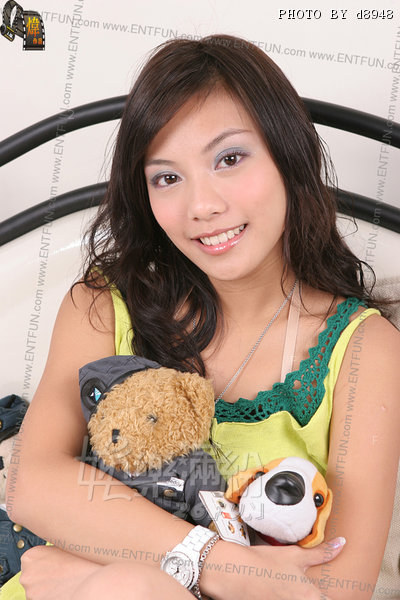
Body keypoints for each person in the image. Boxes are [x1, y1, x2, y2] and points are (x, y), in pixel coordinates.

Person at [4, 33, 400, 600]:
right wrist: (219, 564)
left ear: (288, 155)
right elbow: (31, 483)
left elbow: (335, 589)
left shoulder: (364, 350)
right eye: (167, 177)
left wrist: (96, 574)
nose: (202, 206)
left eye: (229, 159)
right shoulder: (102, 307)